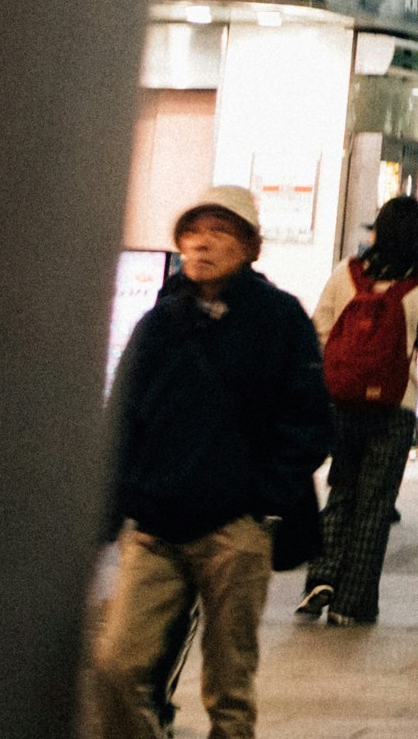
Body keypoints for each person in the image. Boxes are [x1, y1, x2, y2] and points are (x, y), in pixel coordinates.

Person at [92, 187, 332, 739]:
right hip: (154, 528)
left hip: (234, 530)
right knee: (114, 667)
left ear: (251, 247)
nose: (202, 241)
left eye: (220, 231)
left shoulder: (278, 319)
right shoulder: (160, 323)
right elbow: (123, 417)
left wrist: (263, 500)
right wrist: (117, 504)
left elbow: (309, 417)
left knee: (228, 689)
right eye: (193, 231)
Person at [300, 195, 418, 626]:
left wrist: (336, 376)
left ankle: (320, 577)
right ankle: (352, 602)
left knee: (341, 489)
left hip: (344, 403)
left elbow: (319, 330)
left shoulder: (347, 273)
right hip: (394, 408)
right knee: (375, 504)